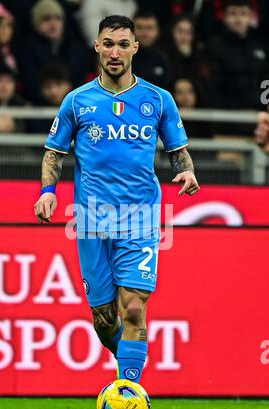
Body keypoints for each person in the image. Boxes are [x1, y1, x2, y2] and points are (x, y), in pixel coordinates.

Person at [34, 15, 200, 384]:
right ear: (97, 46)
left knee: (135, 309)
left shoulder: (158, 99)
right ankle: (127, 355)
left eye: (123, 44)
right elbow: (53, 154)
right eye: (108, 43)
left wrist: (187, 170)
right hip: (91, 221)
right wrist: (47, 192)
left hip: (141, 218)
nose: (115, 51)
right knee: (105, 318)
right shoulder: (77, 101)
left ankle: (129, 388)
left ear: (135, 49)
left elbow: (178, 150)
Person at [20, 0, 88, 103]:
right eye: (46, 19)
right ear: (36, 24)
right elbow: (30, 85)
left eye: (58, 18)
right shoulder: (27, 49)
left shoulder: (74, 48)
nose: (53, 24)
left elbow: (81, 79)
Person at [207, 0, 267, 110]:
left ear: (250, 18)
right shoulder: (214, 47)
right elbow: (213, 86)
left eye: (243, 14)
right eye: (233, 13)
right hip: (227, 114)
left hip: (258, 113)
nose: (238, 19)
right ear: (224, 17)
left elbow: (266, 80)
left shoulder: (259, 48)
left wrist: (266, 104)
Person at [132, 10, 171, 89]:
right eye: (140, 27)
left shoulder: (164, 58)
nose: (145, 33)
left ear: (157, 32)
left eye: (149, 28)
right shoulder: (123, 57)